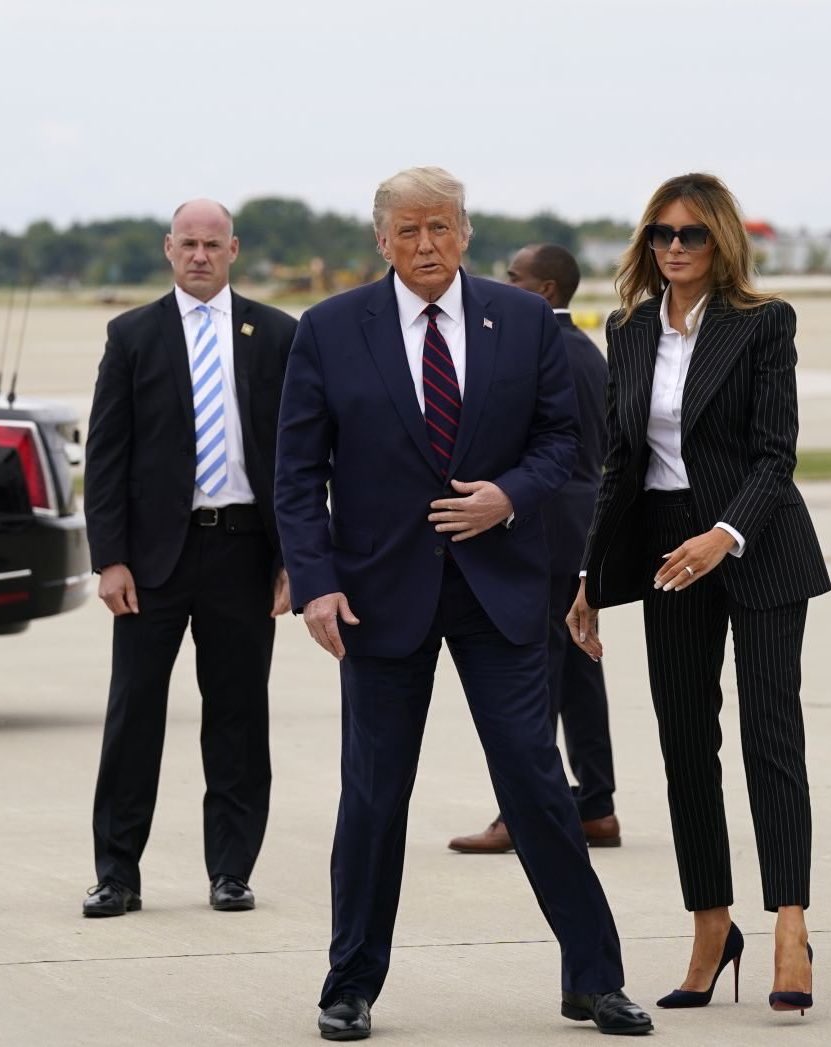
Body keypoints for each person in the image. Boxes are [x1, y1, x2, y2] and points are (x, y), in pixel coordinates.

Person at [275, 167, 653, 1040]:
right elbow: (296, 473)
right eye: (408, 231)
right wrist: (316, 581)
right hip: (378, 597)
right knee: (374, 796)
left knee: (536, 783)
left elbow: (563, 438)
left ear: (465, 232)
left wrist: (508, 495)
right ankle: (349, 984)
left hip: (500, 591)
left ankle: (594, 979)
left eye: (440, 227)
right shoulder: (330, 329)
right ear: (382, 240)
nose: (426, 245)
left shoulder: (522, 320)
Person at [568, 173, 831, 1017]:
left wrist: (725, 533)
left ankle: (791, 926)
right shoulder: (629, 328)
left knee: (770, 739)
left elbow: (775, 454)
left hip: (756, 544)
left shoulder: (763, 322)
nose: (674, 248)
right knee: (685, 744)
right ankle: (712, 926)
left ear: (721, 242)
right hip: (666, 550)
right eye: (661, 234)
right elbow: (620, 463)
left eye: (691, 234)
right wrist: (590, 578)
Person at [82, 199, 297, 917]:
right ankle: (117, 874)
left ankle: (231, 869)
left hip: (244, 552)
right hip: (151, 564)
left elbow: (298, 456)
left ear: (233, 249)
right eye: (188, 243)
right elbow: (106, 457)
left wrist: (295, 557)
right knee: (134, 714)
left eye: (212, 243)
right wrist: (110, 559)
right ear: (168, 248)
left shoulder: (276, 334)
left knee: (239, 717)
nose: (200, 255)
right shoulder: (132, 335)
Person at [448, 243, 620, 854]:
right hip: (583, 526)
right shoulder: (586, 351)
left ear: (545, 290)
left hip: (546, 528)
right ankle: (596, 804)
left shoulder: (541, 350)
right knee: (578, 667)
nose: (502, 283)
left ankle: (523, 814)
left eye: (514, 276)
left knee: (534, 674)